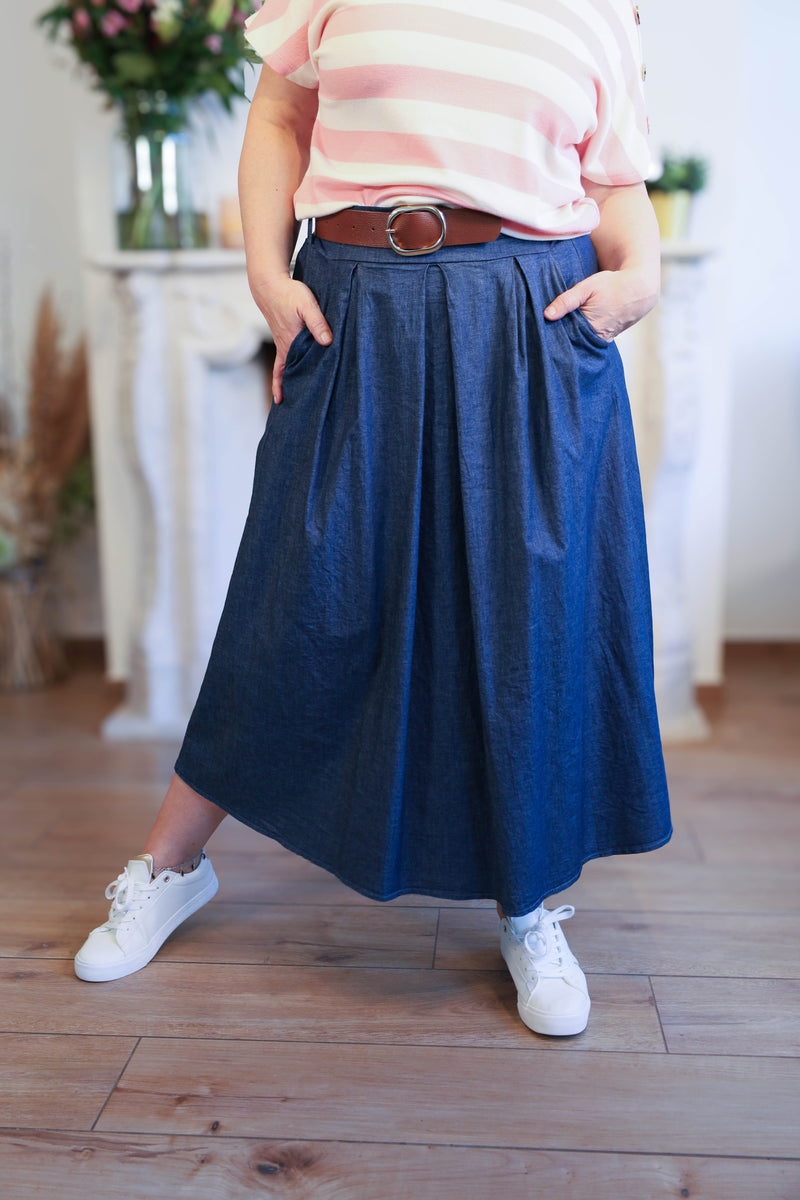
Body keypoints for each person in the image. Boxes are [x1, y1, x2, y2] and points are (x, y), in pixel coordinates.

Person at [74, 0, 672, 1038]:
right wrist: (267, 275)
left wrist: (642, 272)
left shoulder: (596, 11)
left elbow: (613, 182)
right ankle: (171, 867)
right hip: (352, 303)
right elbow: (276, 118)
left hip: (526, 320)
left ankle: (526, 906)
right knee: (294, 594)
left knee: (522, 619)